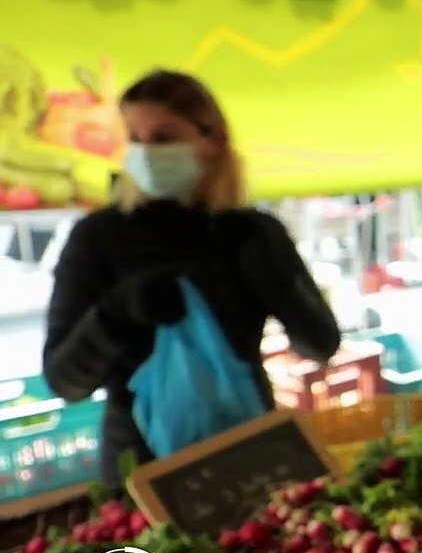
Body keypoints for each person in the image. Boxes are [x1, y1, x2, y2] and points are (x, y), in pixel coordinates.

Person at [43, 70, 341, 486]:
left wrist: (279, 281)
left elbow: (321, 343)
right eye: (134, 138)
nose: (146, 152)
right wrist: (117, 312)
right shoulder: (98, 237)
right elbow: (64, 380)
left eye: (164, 137)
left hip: (247, 451)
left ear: (212, 143)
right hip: (143, 470)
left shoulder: (252, 232)